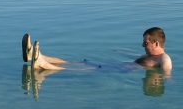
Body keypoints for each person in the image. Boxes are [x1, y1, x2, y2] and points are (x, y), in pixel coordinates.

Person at [21, 26, 172, 74]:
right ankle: (38, 56)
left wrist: (166, 78)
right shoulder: (151, 56)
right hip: (118, 65)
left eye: (145, 43)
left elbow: (167, 72)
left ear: (156, 43)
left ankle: (44, 66)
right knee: (82, 62)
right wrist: (121, 52)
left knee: (88, 68)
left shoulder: (164, 59)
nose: (143, 46)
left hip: (117, 70)